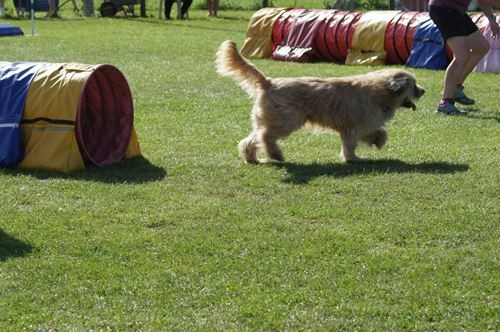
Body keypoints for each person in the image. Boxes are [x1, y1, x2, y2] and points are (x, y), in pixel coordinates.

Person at [429, 0, 500, 115]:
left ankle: (456, 89)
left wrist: (492, 20)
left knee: (481, 47)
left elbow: (482, 1)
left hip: (456, 10)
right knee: (462, 55)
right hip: (445, 9)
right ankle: (445, 103)